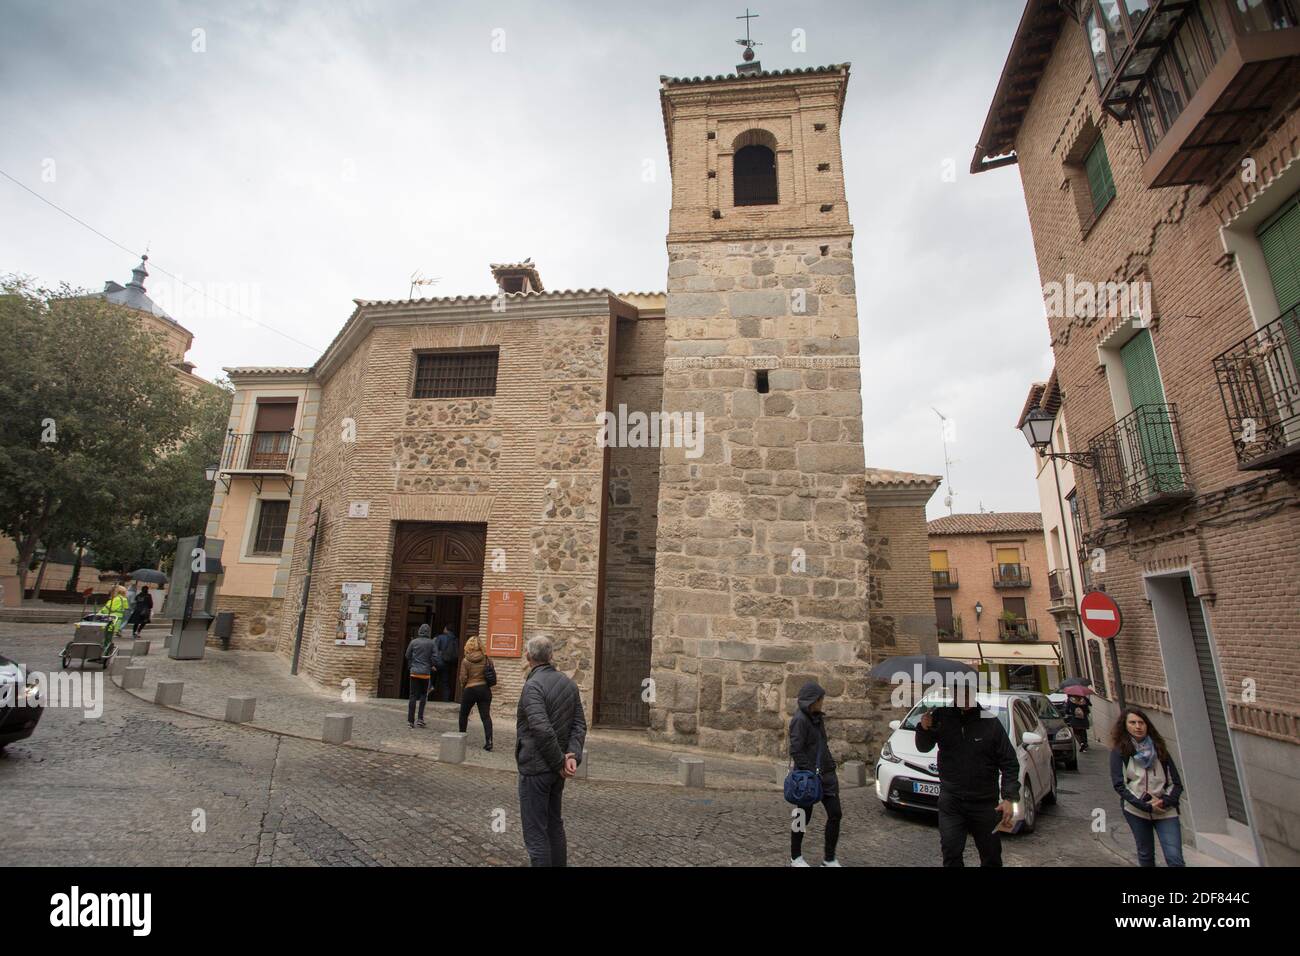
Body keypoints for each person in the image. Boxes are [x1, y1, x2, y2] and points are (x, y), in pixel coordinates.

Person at [915, 685, 1021, 867]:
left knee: (991, 856)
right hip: (952, 801)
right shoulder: (941, 717)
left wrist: (1009, 798)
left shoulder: (990, 722)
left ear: (973, 693)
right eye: (956, 692)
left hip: (984, 803)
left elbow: (1009, 762)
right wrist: (923, 728)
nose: (961, 696)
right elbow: (923, 747)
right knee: (951, 852)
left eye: (965, 692)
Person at [515, 635, 586, 867]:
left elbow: (541, 729)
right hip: (557, 770)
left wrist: (560, 762)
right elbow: (579, 725)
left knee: (536, 834)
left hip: (537, 769)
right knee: (554, 825)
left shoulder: (532, 686)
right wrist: (571, 757)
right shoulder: (569, 683)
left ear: (528, 657)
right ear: (551, 656)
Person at [1110, 707, 1185, 867]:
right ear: (1125, 726)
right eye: (1133, 723)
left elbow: (1176, 783)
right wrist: (1146, 806)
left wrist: (1164, 802)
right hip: (1136, 810)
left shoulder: (1159, 749)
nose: (1138, 726)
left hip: (1165, 810)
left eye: (1141, 722)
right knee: (1146, 855)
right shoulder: (1121, 752)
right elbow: (1120, 785)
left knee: (1175, 858)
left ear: (1147, 725)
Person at [787, 681, 843, 867]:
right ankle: (795, 857)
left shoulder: (818, 718)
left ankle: (829, 859)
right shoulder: (799, 720)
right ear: (813, 700)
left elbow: (821, 745)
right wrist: (810, 772)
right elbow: (796, 749)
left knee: (835, 814)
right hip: (807, 779)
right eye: (820, 699)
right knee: (802, 817)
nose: (822, 702)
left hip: (826, 775)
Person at [457, 633, 493, 751]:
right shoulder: (487, 658)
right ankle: (489, 741)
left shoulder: (466, 661)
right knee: (486, 716)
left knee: (463, 714)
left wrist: (464, 687)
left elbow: (463, 678)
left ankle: (461, 737)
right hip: (484, 689)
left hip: (470, 689)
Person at [405, 623, 437, 728]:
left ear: (419, 631)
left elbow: (407, 655)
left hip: (414, 672)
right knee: (423, 696)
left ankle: (410, 721)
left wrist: (412, 664)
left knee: (413, 696)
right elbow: (435, 657)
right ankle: (420, 718)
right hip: (425, 674)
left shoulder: (413, 642)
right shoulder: (432, 643)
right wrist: (430, 664)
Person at [433, 625, 459, 702]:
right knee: (445, 683)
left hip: (438, 662)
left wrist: (433, 663)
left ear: (446, 629)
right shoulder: (455, 639)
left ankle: (427, 694)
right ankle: (446, 700)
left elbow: (435, 650)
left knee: (429, 678)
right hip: (448, 663)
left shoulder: (440, 637)